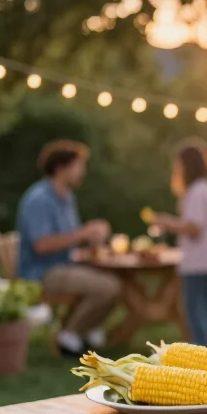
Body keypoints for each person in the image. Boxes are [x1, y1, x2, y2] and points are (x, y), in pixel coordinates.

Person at [16, 140, 121, 356]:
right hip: (40, 273)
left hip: (63, 265)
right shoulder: (39, 199)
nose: (83, 171)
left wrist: (91, 240)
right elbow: (42, 244)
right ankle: (70, 336)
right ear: (61, 168)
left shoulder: (67, 198)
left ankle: (79, 332)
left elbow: (67, 240)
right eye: (79, 165)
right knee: (108, 287)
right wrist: (83, 233)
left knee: (114, 282)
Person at [150, 138, 207, 349]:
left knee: (196, 314)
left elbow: (194, 228)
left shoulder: (197, 190)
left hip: (198, 262)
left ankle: (205, 357)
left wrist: (165, 222)